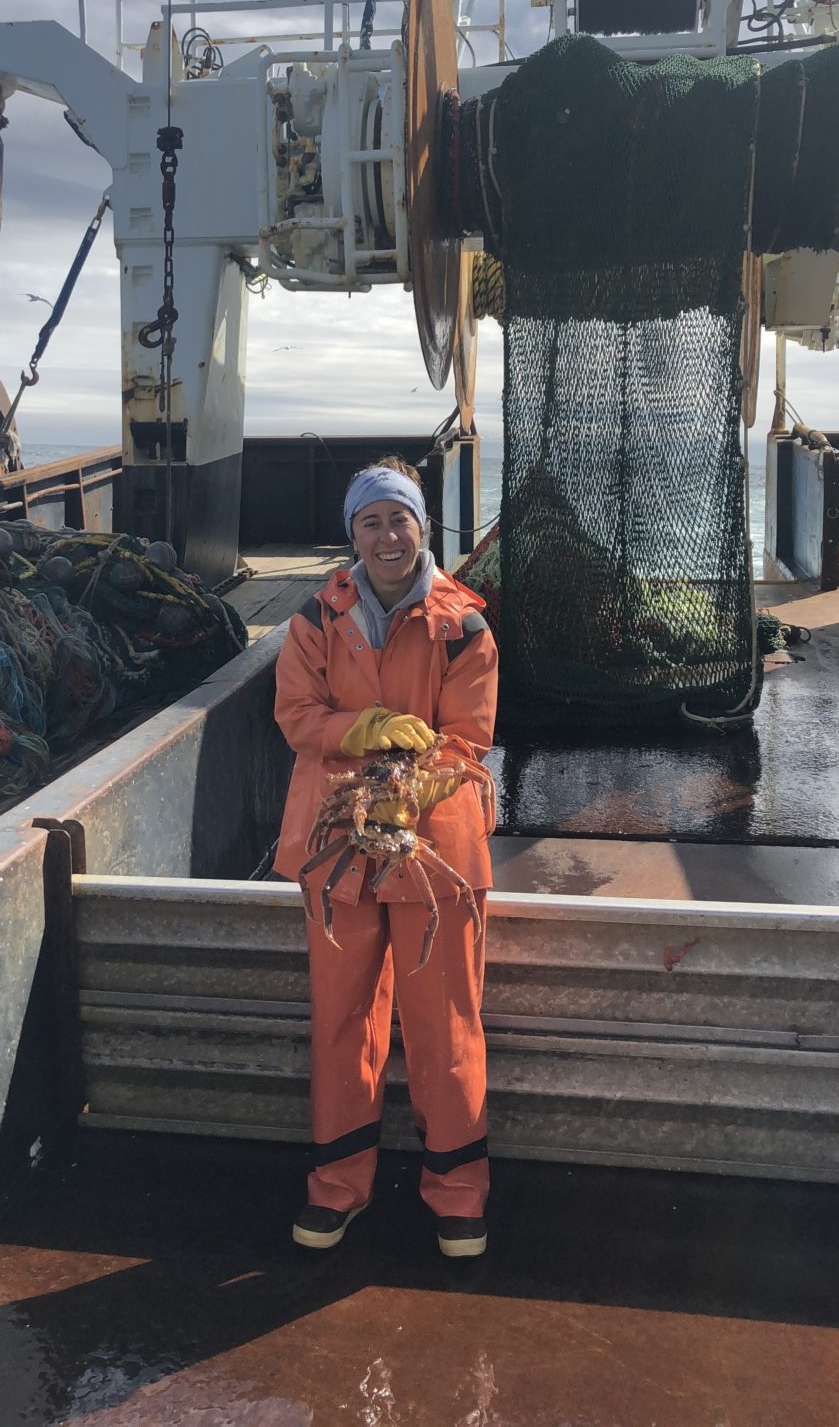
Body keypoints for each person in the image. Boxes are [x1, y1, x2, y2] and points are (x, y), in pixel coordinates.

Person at [273, 455, 499, 1258]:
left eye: (398, 518)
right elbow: (297, 715)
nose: (385, 535)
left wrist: (416, 788)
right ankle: (337, 1188)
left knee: (445, 1024)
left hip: (435, 844)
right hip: (336, 844)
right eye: (369, 521)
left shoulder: (464, 624)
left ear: (422, 527)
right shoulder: (314, 616)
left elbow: (468, 740)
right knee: (341, 1020)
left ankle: (459, 1192)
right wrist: (359, 729)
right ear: (353, 535)